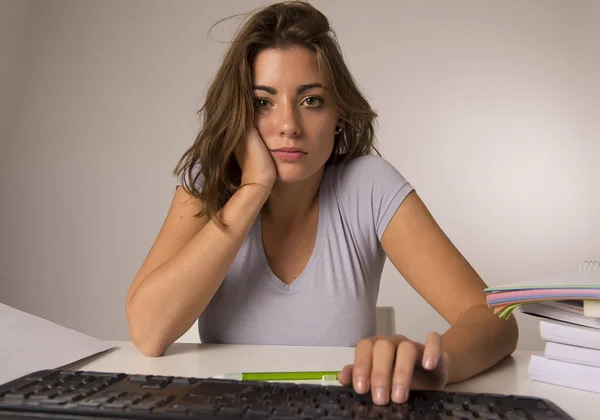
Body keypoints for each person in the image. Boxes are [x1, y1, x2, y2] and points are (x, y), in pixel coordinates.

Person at [125, 0, 518, 406]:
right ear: (238, 114)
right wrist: (252, 190)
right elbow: (149, 333)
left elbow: (496, 319)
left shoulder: (367, 186)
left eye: (310, 100)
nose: (289, 126)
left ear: (338, 115)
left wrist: (440, 364)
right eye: (263, 102)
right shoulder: (207, 187)